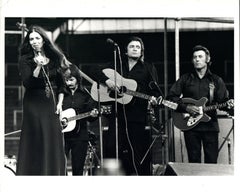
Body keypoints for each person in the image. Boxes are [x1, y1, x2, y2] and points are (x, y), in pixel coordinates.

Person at [96, 36, 160, 175]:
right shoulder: (117, 64)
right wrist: (107, 81)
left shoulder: (148, 68)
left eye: (138, 47)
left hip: (137, 115)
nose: (135, 49)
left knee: (135, 151)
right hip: (117, 114)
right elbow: (94, 71)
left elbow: (154, 90)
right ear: (126, 51)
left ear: (142, 51)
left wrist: (154, 99)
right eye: (132, 46)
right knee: (112, 147)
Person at [16, 25, 71, 175]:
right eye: (31, 39)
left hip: (52, 103)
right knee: (35, 136)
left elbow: (62, 86)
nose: (34, 41)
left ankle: (53, 173)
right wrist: (38, 67)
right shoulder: (25, 59)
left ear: (44, 40)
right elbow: (28, 83)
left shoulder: (54, 59)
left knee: (53, 137)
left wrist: (59, 104)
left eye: (37, 38)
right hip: (33, 102)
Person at [167, 45, 233, 164]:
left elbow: (224, 101)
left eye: (200, 56)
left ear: (207, 59)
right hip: (190, 127)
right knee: (194, 162)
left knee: (212, 162)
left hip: (210, 126)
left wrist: (229, 105)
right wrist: (186, 107)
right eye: (195, 57)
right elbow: (170, 98)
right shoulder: (185, 79)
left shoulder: (216, 80)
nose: (197, 59)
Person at [60, 64, 98, 175]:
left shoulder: (85, 94)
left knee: (78, 169)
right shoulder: (61, 94)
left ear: (77, 78)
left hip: (80, 136)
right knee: (60, 169)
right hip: (62, 136)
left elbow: (90, 118)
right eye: (66, 80)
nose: (69, 83)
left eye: (71, 80)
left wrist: (93, 115)